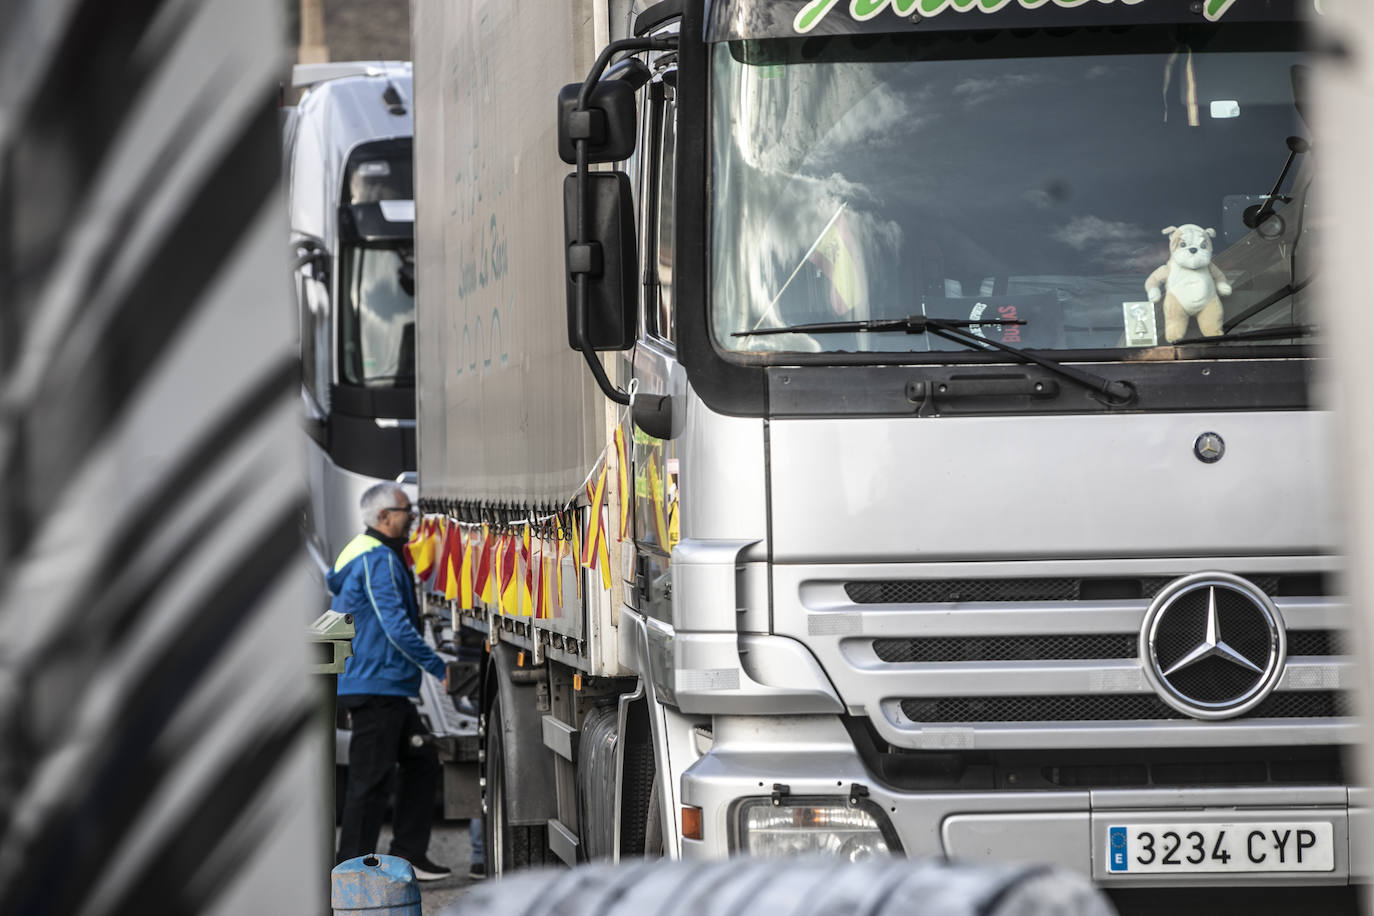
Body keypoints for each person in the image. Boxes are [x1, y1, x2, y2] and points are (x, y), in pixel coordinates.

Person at [332, 482, 451, 881]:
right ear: (384, 518)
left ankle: (406, 854)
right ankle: (352, 872)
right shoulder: (378, 559)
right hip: (376, 685)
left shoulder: (365, 553)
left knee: (420, 761)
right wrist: (438, 666)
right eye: (406, 512)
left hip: (381, 684)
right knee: (370, 783)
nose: (412, 518)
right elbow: (394, 624)